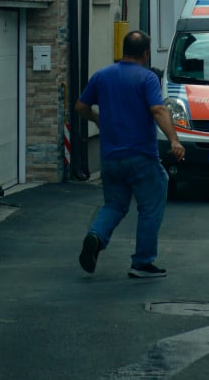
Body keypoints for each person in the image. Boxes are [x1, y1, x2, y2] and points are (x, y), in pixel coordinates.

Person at [76, 30, 185, 278]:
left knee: (114, 204)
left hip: (110, 157)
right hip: (141, 156)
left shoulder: (102, 76)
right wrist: (174, 140)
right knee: (151, 203)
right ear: (146, 53)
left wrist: (97, 118)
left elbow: (81, 106)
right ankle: (143, 262)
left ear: (123, 50)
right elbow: (158, 109)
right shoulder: (146, 79)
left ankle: (95, 236)